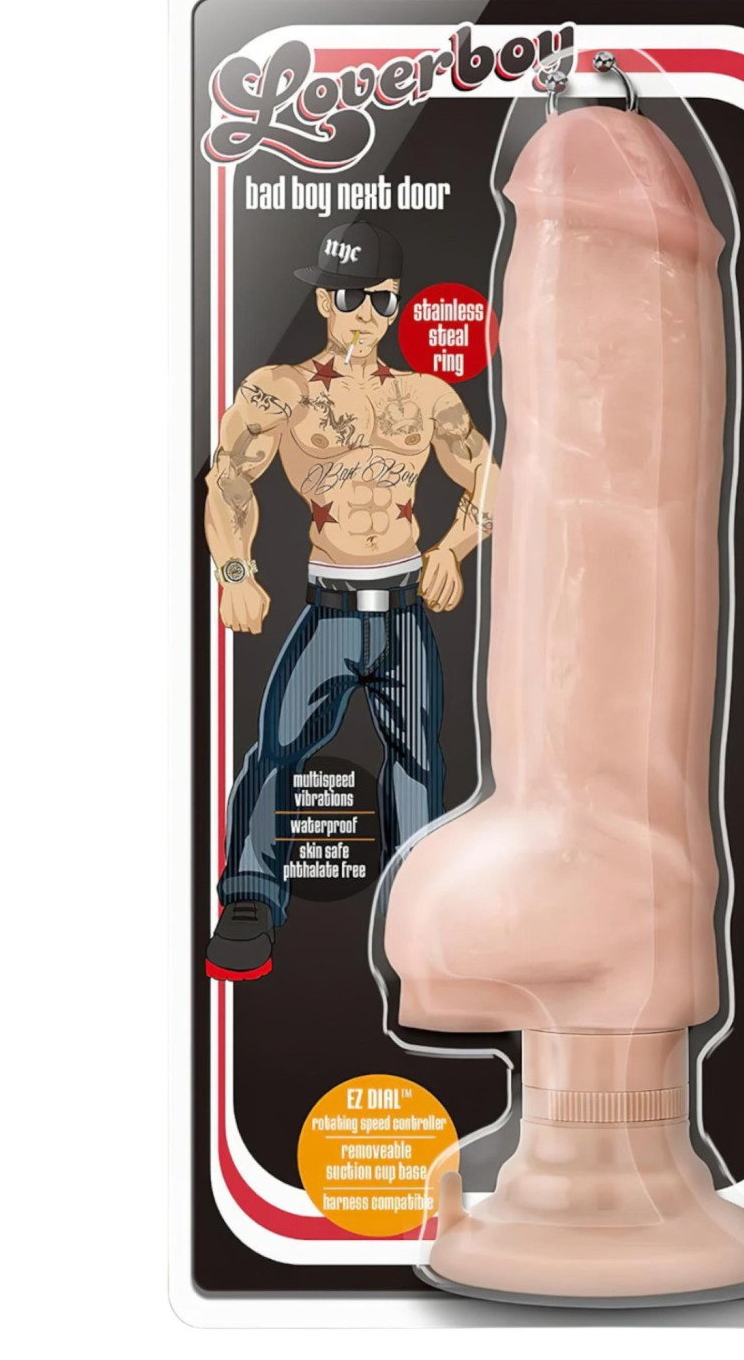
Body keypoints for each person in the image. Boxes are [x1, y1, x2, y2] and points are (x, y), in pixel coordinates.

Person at [204, 221, 497, 979]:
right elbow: (228, 478)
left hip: (405, 612)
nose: (364, 314)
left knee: (417, 763)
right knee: (279, 748)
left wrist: (452, 548)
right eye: (347, 296)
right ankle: (250, 897)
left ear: (396, 304)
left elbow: (491, 472)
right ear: (322, 301)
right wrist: (234, 572)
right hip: (329, 612)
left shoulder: (426, 396)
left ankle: (420, 911)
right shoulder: (283, 391)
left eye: (381, 300)